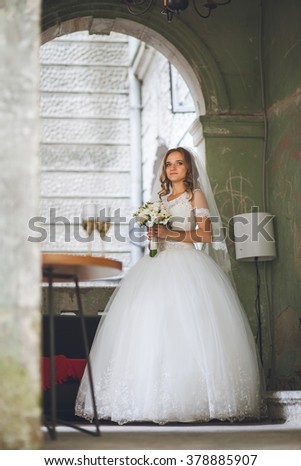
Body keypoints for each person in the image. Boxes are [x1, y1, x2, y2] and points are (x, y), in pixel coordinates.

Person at [75, 147, 263, 425]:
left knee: (190, 331)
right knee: (150, 331)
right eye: (168, 164)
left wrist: (169, 232)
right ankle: (149, 403)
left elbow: (205, 235)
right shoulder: (161, 199)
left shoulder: (194, 195)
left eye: (179, 163)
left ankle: (200, 400)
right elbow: (159, 238)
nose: (172, 168)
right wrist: (155, 236)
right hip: (157, 266)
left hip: (188, 266)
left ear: (189, 168)